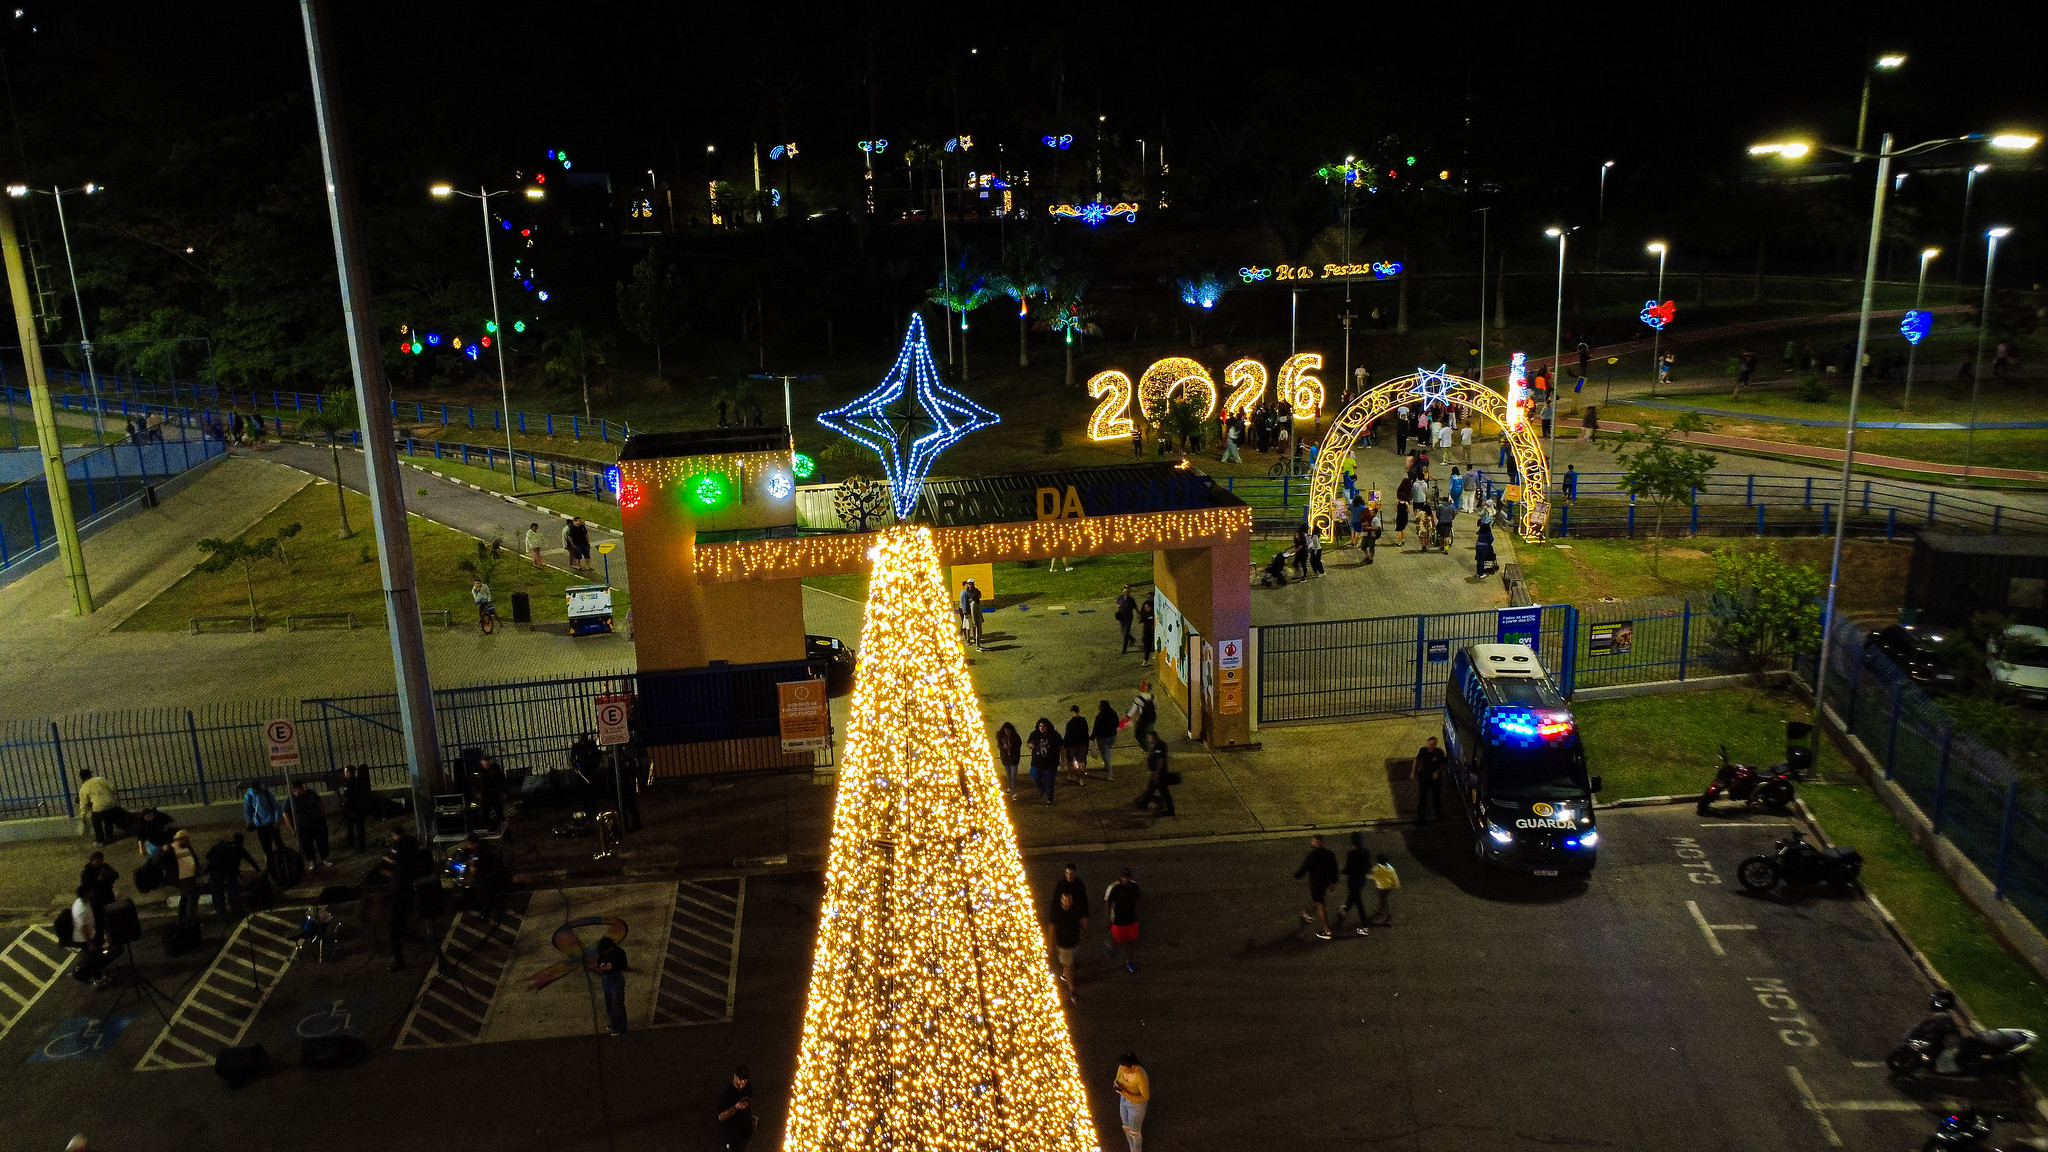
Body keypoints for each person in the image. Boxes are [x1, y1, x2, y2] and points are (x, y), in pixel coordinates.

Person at [374, 829, 420, 970]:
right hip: (409, 890)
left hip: (398, 895)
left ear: (395, 834)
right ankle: (407, 933)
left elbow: (393, 860)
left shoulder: (397, 848)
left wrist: (387, 865)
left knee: (393, 930)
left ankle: (399, 961)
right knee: (406, 916)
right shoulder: (412, 843)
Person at [1044, 888, 1087, 1002]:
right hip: (1064, 945)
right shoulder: (1057, 913)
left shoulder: (1075, 909)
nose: (1067, 903)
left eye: (1069, 901)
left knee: (1069, 964)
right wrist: (1050, 947)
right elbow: (1052, 929)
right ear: (1061, 901)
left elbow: (1081, 921)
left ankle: (1065, 974)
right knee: (1069, 966)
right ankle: (1072, 991)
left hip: (1074, 943)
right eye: (1065, 901)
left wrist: (1085, 932)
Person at [205, 832, 260, 920]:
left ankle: (221, 912)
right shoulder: (238, 848)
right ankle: (238, 911)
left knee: (217, 891)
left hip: (214, 871)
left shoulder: (219, 846)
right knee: (233, 890)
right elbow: (248, 859)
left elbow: (208, 857)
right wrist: (258, 869)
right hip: (228, 870)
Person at [1294, 834, 1339, 940]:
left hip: (1315, 884)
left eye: (1313, 841)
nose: (1312, 843)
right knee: (1317, 900)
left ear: (1316, 843)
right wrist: (1333, 882)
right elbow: (1334, 868)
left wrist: (1296, 875)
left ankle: (1327, 930)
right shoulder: (1329, 854)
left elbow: (1303, 870)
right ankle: (1309, 914)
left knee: (1320, 905)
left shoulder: (1311, 856)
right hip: (1324, 883)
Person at [67, 884, 113, 988]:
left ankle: (89, 972)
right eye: (91, 891)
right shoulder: (81, 909)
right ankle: (98, 978)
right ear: (87, 893)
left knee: (92, 956)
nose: (93, 891)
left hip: (88, 936)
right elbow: (83, 928)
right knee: (93, 958)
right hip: (85, 939)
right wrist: (90, 943)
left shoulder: (80, 901)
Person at [284, 779, 332, 870]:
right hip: (303, 827)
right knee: (306, 845)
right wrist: (292, 828)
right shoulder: (290, 800)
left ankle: (325, 858)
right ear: (295, 789)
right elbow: (286, 814)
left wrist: (323, 816)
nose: (303, 790)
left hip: (317, 823)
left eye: (304, 788)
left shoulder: (311, 793)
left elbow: (320, 803)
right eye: (301, 789)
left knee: (322, 841)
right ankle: (312, 861)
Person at [1104, 868, 1141, 972]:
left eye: (1127, 877)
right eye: (1124, 877)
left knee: (1130, 941)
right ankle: (1112, 946)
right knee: (1118, 939)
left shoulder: (1134, 887)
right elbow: (1108, 903)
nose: (1126, 879)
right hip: (1118, 920)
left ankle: (1129, 961)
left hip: (1131, 919)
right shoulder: (1114, 888)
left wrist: (1136, 913)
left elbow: (1137, 900)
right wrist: (1108, 919)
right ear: (1121, 877)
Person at [1337, 832, 1373, 936]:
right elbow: (1367, 866)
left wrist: (1343, 871)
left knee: (1358, 902)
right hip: (1361, 880)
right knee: (1352, 896)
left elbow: (1348, 868)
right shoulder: (1366, 851)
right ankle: (1344, 911)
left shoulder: (1352, 854)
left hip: (1353, 881)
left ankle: (1365, 927)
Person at [1115, 1053, 1151, 1152]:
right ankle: (1131, 1147)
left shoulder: (1140, 1077)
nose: (1123, 1071)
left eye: (1126, 1069)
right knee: (1126, 1126)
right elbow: (1118, 1076)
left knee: (1134, 1132)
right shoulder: (1122, 1067)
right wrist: (1116, 1082)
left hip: (1136, 1107)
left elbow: (1145, 1097)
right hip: (1123, 1100)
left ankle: (1136, 1150)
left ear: (1133, 1066)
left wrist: (1125, 1093)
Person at [1134, 732, 1175, 817]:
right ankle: (1144, 803)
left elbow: (1160, 761)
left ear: (1154, 738)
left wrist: (1156, 774)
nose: (1149, 740)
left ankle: (1170, 810)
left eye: (1150, 738)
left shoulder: (1160, 746)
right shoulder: (1157, 746)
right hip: (1157, 773)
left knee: (1163, 792)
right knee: (1151, 789)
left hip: (1160, 774)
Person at [595, 935, 629, 1035]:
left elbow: (624, 966)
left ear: (610, 947)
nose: (604, 954)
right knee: (609, 1002)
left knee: (617, 1002)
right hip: (606, 978)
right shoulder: (602, 951)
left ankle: (621, 1027)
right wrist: (601, 965)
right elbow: (599, 961)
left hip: (616, 978)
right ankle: (614, 1023)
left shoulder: (619, 953)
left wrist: (613, 967)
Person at [165, 829, 201, 923]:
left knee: (185, 896)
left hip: (190, 876)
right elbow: (160, 861)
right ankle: (190, 919)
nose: (187, 840)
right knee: (192, 896)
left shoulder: (187, 846)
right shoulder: (171, 848)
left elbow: (193, 857)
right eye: (185, 839)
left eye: (187, 838)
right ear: (179, 839)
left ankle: (182, 917)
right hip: (181, 878)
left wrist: (197, 869)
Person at [242, 780, 283, 862]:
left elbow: (276, 807)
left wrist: (277, 820)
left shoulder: (267, 793)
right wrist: (249, 821)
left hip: (271, 822)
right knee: (265, 844)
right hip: (260, 824)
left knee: (277, 841)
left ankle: (282, 856)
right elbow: (248, 809)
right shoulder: (249, 796)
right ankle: (269, 858)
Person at [77, 769, 121, 845]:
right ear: (90, 775)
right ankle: (109, 836)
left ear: (81, 778)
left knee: (96, 823)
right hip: (110, 804)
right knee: (108, 821)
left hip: (98, 808)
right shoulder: (101, 779)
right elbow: (113, 789)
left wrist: (83, 814)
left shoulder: (83, 788)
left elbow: (83, 803)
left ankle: (100, 840)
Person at [717, 1066, 756, 1152]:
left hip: (742, 1137)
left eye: (745, 1080)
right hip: (731, 1139)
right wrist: (735, 1107)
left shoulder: (747, 1087)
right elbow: (721, 1116)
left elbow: (749, 1102)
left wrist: (751, 1117)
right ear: (735, 1076)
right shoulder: (727, 1092)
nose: (743, 1082)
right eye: (741, 1079)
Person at [1414, 737, 1448, 823]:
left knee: (1436, 797)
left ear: (1435, 744)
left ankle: (1439, 815)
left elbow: (1444, 764)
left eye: (1433, 744)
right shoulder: (1423, 751)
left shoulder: (1439, 753)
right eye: (1430, 743)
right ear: (1427, 743)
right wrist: (1413, 771)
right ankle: (1421, 818)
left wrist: (1438, 771)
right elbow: (1416, 760)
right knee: (1422, 798)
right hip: (1424, 778)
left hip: (1434, 780)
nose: (1431, 745)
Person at [1028, 718, 1061, 806]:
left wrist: (1062, 758)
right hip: (1036, 763)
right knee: (1034, 775)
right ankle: (1042, 789)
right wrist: (1031, 745)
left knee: (1049, 781)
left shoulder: (1054, 734)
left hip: (1050, 764)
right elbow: (1028, 743)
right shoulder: (1035, 734)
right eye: (1040, 726)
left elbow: (1061, 746)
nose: (1041, 728)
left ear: (1047, 726)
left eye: (1043, 726)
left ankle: (1049, 798)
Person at [340, 764, 373, 852]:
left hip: (353, 809)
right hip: (358, 809)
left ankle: (356, 845)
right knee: (359, 828)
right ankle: (361, 845)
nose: (344, 773)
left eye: (346, 771)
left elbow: (348, 798)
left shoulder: (350, 783)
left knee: (354, 828)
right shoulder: (357, 781)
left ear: (350, 773)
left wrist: (347, 808)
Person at [1091, 700, 1120, 782]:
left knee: (1106, 755)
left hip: (1103, 739)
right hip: (1112, 737)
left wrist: (1092, 737)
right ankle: (1106, 766)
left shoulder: (1099, 717)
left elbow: (1095, 728)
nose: (1098, 706)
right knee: (1107, 751)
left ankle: (1110, 774)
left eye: (1099, 705)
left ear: (1102, 706)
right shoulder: (1113, 713)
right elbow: (1117, 723)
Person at [1063, 705, 1091, 787]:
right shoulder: (1083, 721)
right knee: (1081, 762)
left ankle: (1071, 775)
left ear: (1072, 712)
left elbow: (1067, 735)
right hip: (1082, 745)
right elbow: (1086, 733)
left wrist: (1065, 745)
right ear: (1079, 711)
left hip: (1072, 746)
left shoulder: (1070, 723)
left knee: (1070, 761)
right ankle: (1081, 779)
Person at [1369, 853, 1400, 926]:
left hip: (1381, 887)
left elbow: (1374, 876)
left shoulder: (1377, 869)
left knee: (1384, 901)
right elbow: (1394, 877)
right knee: (1383, 898)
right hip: (1388, 887)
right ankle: (1379, 909)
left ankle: (1387, 916)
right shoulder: (1390, 868)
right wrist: (1396, 885)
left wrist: (1368, 876)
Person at [1125, 681, 1157, 752]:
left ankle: (1146, 749)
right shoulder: (1153, 697)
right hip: (1152, 718)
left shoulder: (1138, 699)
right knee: (1149, 733)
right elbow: (1155, 708)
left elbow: (1133, 710)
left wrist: (1128, 717)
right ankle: (1153, 747)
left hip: (1143, 719)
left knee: (1139, 735)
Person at [995, 721, 1023, 796]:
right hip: (1006, 759)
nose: (1007, 732)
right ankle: (1011, 788)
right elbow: (999, 745)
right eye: (1006, 730)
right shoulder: (1001, 738)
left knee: (1013, 776)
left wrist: (1012, 747)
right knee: (1009, 776)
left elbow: (1019, 745)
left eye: (1009, 730)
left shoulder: (1015, 737)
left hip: (1014, 759)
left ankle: (1014, 792)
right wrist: (1003, 747)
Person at [958, 578, 983, 648]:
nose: (969, 585)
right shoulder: (964, 593)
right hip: (967, 611)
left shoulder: (975, 590)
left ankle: (974, 637)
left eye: (971, 584)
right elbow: (964, 603)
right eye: (968, 584)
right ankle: (967, 638)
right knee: (967, 625)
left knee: (973, 624)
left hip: (973, 611)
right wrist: (965, 612)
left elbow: (979, 596)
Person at [1114, 586, 1138, 654]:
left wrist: (1139, 615)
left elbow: (1135, 608)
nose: (1126, 594)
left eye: (1127, 593)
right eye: (1124, 592)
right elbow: (1118, 604)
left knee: (1126, 633)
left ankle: (1124, 649)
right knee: (1123, 632)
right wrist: (1118, 607)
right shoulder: (1120, 597)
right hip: (1122, 617)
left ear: (1129, 593)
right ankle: (1132, 639)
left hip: (1128, 618)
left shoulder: (1131, 600)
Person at [1393, 474, 1413, 547]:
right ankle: (1403, 539)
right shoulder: (1406, 503)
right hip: (1405, 516)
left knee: (1398, 529)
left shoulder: (1397, 503)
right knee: (1403, 528)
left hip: (1399, 516)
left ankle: (1399, 542)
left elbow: (1396, 510)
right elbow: (1408, 510)